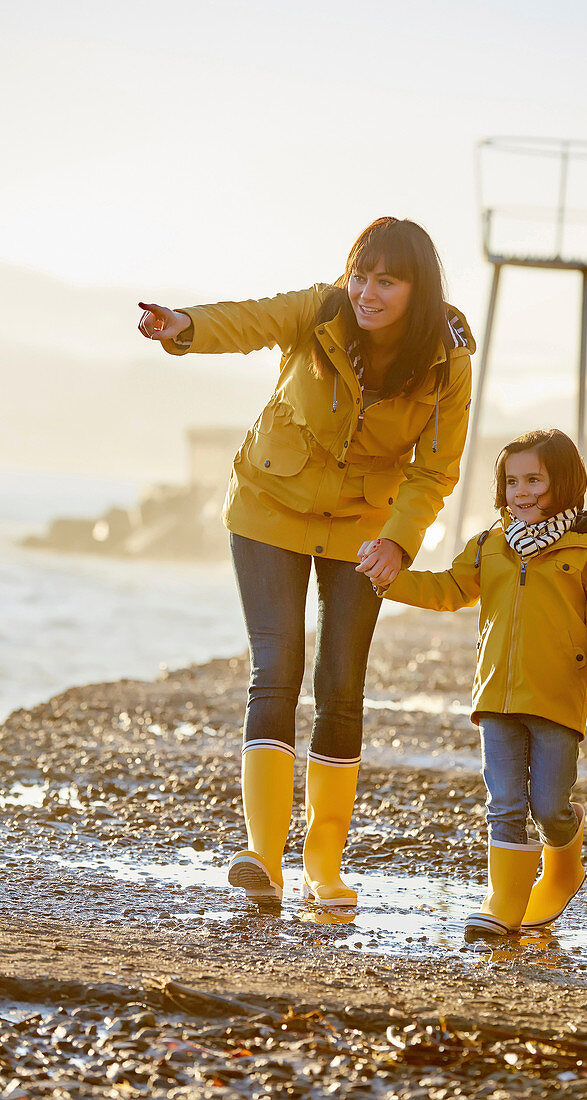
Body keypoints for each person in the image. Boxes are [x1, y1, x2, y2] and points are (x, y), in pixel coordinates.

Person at [137, 217, 475, 907]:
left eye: (386, 280)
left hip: (362, 529)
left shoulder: (447, 357)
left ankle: (324, 864)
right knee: (277, 667)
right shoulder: (321, 310)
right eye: (360, 274)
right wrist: (183, 327)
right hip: (270, 506)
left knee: (341, 681)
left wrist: (399, 541)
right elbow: (249, 321)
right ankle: (263, 856)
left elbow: (434, 471)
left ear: (418, 288)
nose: (366, 292)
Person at [363, 428, 587, 937]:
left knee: (549, 806)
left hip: (556, 699)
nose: (522, 492)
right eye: (512, 481)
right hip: (495, 698)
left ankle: (566, 852)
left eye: (535, 479)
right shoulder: (490, 546)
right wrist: (389, 578)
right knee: (505, 804)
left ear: (565, 483)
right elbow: (447, 588)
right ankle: (505, 901)